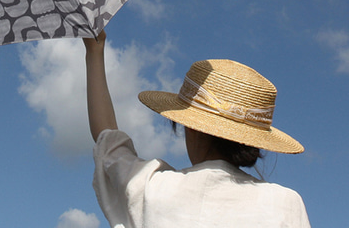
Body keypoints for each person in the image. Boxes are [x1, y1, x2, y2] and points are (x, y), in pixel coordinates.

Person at [84, 31, 311, 227]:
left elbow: (107, 139)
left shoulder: (153, 190)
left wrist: (95, 50)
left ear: (192, 127)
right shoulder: (286, 205)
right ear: (253, 140)